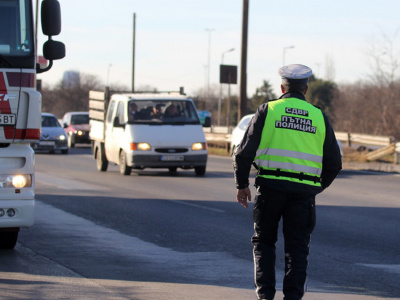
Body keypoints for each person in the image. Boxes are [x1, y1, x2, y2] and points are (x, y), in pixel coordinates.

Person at [233, 64, 342, 300]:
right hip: (302, 194)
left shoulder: (268, 110)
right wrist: (315, 187)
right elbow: (334, 163)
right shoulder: (318, 116)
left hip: (270, 189)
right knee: (297, 249)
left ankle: (265, 296)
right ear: (306, 89)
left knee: (263, 243)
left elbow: (243, 153)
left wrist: (242, 185)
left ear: (282, 87)